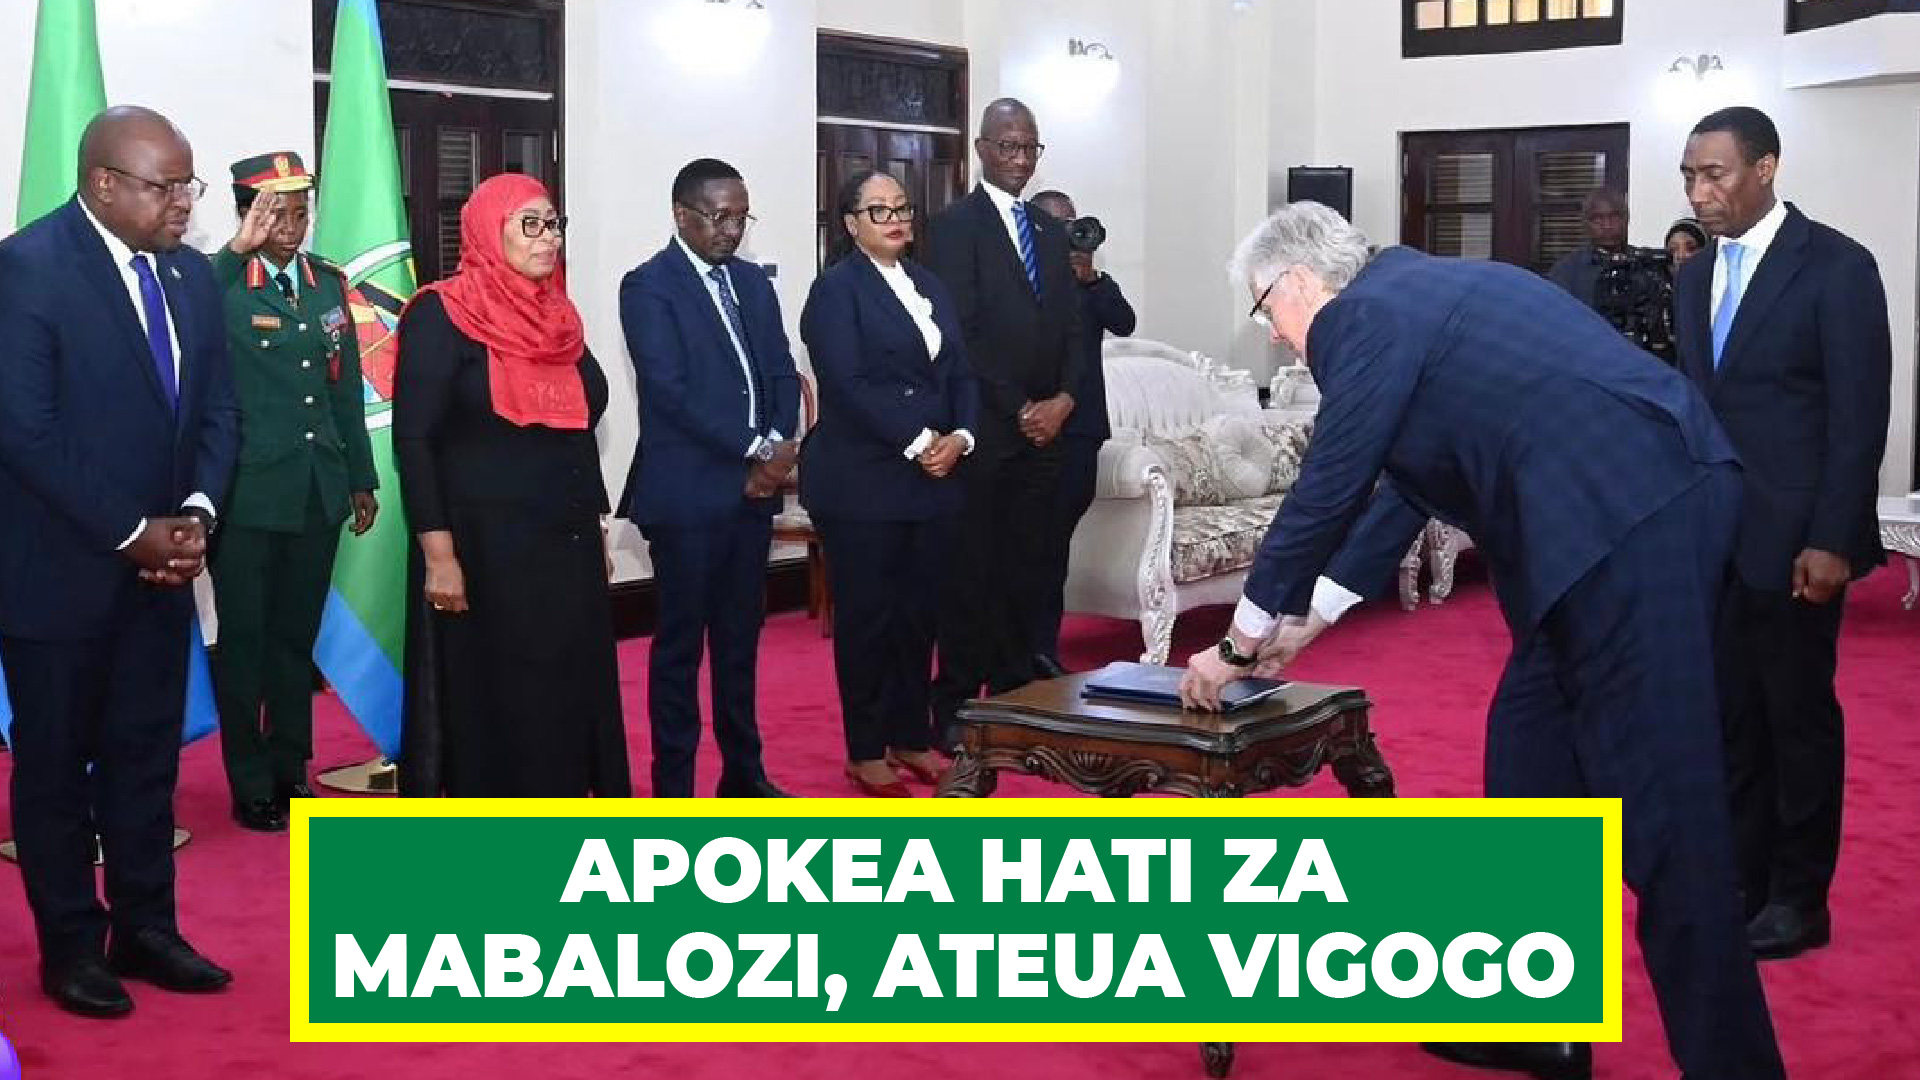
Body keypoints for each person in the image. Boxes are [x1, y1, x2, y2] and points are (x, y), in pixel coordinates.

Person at [1178, 202, 1784, 1080]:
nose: (1272, 332)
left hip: (1626, 521)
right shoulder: (1413, 296)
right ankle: (1532, 1021)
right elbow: (1405, 486)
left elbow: (1332, 483)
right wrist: (1315, 618)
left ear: (1301, 282)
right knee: (1529, 758)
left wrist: (1238, 642)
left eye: (1265, 307)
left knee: (1664, 812)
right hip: (1612, 525)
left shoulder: (1363, 317)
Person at [0, 105, 239, 1017]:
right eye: (165, 186)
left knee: (145, 761)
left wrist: (197, 515)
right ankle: (71, 946)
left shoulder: (189, 274)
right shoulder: (27, 269)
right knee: (57, 769)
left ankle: (146, 928)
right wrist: (130, 530)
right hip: (58, 573)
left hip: (164, 569)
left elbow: (218, 409)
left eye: (188, 184)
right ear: (104, 183)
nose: (184, 203)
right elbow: (25, 431)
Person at [1675, 106, 1891, 960]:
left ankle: (1801, 899)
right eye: (1689, 176)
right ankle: (1745, 878)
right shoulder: (1693, 276)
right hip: (1715, 541)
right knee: (1731, 716)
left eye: (1715, 174)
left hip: (1800, 544)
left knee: (1795, 720)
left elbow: (1859, 417)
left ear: (1766, 167)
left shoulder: (1837, 266)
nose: (1699, 192)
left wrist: (1833, 537)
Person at [392, 173, 628, 799]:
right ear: (487, 232)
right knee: (498, 695)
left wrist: (595, 524)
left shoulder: (559, 317)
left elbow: (578, 426)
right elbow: (414, 441)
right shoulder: (442, 314)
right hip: (483, 547)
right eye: (530, 224)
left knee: (564, 692)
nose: (548, 237)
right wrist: (439, 556)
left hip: (564, 537)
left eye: (554, 223)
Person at [208, 152, 379, 832]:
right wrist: (234, 250)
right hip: (247, 496)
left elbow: (344, 390)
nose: (291, 225)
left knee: (293, 638)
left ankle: (290, 768)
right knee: (245, 642)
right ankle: (249, 780)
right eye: (276, 212)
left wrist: (360, 477)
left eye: (300, 212)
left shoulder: (326, 284)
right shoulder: (223, 283)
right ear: (246, 213)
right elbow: (185, 307)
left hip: (316, 490)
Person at [618, 158, 799, 798]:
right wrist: (757, 449)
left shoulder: (751, 282)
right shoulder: (648, 286)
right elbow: (670, 392)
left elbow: (781, 371)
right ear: (682, 214)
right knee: (679, 650)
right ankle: (674, 789)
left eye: (741, 218)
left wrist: (776, 451)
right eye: (720, 217)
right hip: (689, 495)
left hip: (753, 493)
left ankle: (744, 775)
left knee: (739, 644)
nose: (731, 230)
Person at [800, 170, 977, 797]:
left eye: (901, 208)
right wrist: (920, 440)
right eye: (879, 211)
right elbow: (848, 385)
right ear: (851, 224)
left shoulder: (928, 283)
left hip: (933, 477)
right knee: (868, 619)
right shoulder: (835, 291)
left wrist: (961, 436)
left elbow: (961, 371)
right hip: (864, 481)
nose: (896, 219)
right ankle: (865, 748)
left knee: (918, 616)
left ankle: (909, 736)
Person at [920, 99, 1083, 750]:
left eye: (1030, 148)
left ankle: (1017, 700)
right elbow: (962, 332)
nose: (1020, 159)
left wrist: (1063, 399)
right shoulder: (953, 227)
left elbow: (1074, 328)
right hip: (985, 429)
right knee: (972, 573)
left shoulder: (1048, 230)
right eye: (1009, 147)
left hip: (1047, 432)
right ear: (983, 148)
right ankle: (958, 703)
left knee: (1029, 570)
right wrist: (1019, 407)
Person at [1028, 189, 1135, 672]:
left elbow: (1124, 322)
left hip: (1081, 430)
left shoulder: (1088, 281)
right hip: (1032, 428)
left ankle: (1042, 648)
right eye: (1056, 223)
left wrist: (1090, 279)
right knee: (1033, 545)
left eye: (1071, 222)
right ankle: (1026, 649)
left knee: (1054, 545)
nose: (1067, 231)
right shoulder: (1022, 280)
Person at [1545, 187, 1629, 309]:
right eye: (1598, 219)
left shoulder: (1643, 264)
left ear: (1626, 220)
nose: (1607, 226)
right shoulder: (1567, 270)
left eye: (1614, 217)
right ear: (1586, 224)